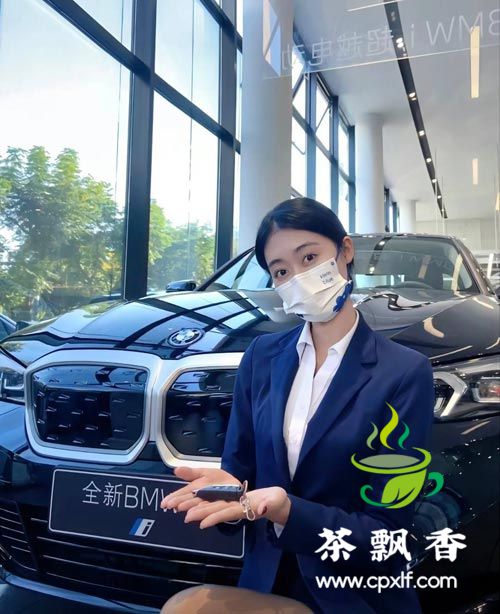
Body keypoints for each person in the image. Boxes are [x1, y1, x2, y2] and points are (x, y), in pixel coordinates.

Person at [160, 198, 435, 613]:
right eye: (281, 271)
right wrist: (231, 500)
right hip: (268, 580)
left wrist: (289, 511)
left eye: (309, 257)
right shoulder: (262, 357)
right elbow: (240, 477)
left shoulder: (403, 372)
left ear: (345, 251)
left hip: (351, 592)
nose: (299, 278)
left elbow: (388, 532)